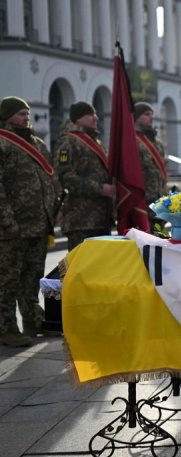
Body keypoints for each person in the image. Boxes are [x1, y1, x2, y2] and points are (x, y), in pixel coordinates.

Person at [0, 97, 59, 347]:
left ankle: (33, 321)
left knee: (32, 277)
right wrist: (6, 219)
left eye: (27, 113)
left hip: (38, 222)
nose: (26, 117)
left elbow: (49, 179)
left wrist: (53, 211)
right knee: (8, 279)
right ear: (7, 116)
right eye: (20, 114)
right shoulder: (3, 143)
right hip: (13, 226)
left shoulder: (37, 143)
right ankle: (6, 328)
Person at [54, 101, 115, 250]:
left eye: (95, 113)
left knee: (100, 267)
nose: (95, 118)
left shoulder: (97, 142)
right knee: (80, 267)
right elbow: (65, 177)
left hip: (101, 217)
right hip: (81, 219)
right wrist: (100, 188)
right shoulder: (68, 142)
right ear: (77, 118)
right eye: (89, 114)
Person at [133, 102, 168, 226]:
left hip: (159, 203)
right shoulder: (131, 140)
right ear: (136, 117)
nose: (151, 117)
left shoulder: (157, 143)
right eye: (146, 114)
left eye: (152, 114)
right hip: (142, 202)